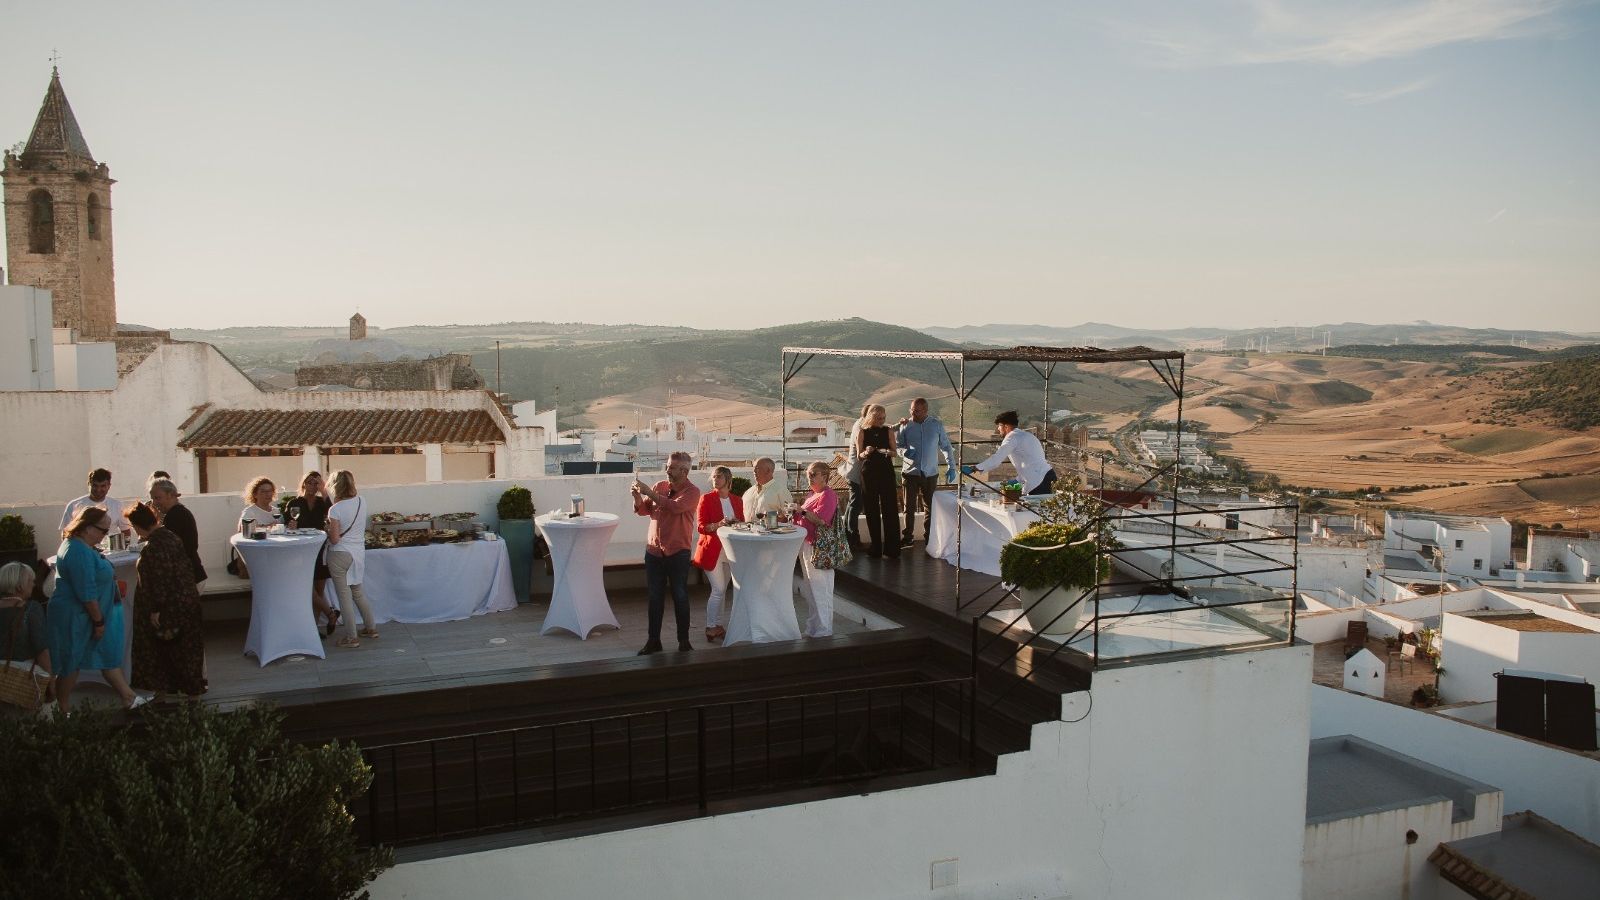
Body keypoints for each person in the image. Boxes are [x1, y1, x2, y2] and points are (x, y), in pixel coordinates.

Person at [46, 507, 145, 713]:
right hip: (76, 615)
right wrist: (98, 621)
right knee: (70, 663)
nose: (104, 535)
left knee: (105, 653)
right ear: (87, 528)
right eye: (102, 530)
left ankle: (128, 697)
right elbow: (86, 591)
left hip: (88, 614)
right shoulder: (77, 551)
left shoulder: (84, 546)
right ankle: (61, 709)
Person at [127, 502, 204, 701]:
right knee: (185, 651)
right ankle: (189, 692)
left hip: (170, 609)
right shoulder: (170, 537)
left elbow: (161, 580)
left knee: (166, 652)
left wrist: (156, 609)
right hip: (186, 602)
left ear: (138, 526)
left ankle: (166, 695)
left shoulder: (154, 546)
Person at [631, 451, 701, 654]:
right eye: (668, 466)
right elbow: (644, 510)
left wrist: (649, 492)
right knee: (654, 597)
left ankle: (684, 641)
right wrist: (637, 496)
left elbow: (674, 507)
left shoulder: (692, 492)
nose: (667, 470)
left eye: (671, 467)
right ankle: (654, 641)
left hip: (677, 552)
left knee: (680, 595)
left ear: (684, 471)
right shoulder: (660, 486)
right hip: (654, 551)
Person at [325, 470, 376, 649]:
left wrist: (327, 528)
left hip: (340, 553)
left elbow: (334, 539)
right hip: (358, 552)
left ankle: (351, 637)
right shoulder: (362, 501)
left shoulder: (335, 509)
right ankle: (371, 628)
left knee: (344, 597)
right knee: (358, 592)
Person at [284, 471, 339, 636]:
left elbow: (334, 513)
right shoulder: (295, 503)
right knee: (307, 589)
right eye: (309, 482)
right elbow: (286, 525)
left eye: (316, 483)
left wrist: (324, 491)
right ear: (303, 484)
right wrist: (290, 526)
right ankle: (331, 614)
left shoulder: (322, 503)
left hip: (320, 548)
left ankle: (313, 630)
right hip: (301, 551)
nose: (312, 486)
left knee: (319, 591)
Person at [692, 466, 743, 643]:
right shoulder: (706, 499)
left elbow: (742, 523)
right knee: (718, 589)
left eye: (719, 477)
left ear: (728, 480)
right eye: (714, 477)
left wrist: (736, 523)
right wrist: (718, 524)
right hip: (712, 550)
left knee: (722, 591)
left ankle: (718, 626)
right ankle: (711, 626)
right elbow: (701, 527)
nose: (715, 479)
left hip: (730, 551)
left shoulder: (737, 500)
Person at [896, 398, 954, 546]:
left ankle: (929, 538)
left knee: (930, 507)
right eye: (911, 410)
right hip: (910, 473)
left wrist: (951, 466)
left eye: (916, 411)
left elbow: (946, 447)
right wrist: (904, 452)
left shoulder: (936, 425)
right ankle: (908, 537)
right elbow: (897, 447)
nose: (912, 413)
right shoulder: (905, 426)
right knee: (908, 508)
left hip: (930, 473)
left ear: (925, 411)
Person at [791, 461, 840, 638]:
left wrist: (801, 511)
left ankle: (825, 628)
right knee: (811, 589)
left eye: (814, 473)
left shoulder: (828, 495)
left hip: (820, 547)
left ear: (825, 476)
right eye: (809, 473)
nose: (809, 476)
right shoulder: (812, 494)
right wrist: (794, 514)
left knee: (821, 588)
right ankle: (813, 626)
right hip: (807, 544)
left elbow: (822, 520)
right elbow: (803, 520)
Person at [963, 410, 1058, 495]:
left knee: (1036, 512)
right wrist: (1017, 480)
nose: (998, 429)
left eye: (999, 426)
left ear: (1006, 426)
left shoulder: (1011, 437)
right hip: (1049, 476)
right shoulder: (1026, 435)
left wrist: (974, 468)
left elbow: (996, 459)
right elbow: (1030, 463)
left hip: (1039, 482)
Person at [855, 404, 901, 558]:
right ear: (872, 417)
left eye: (884, 418)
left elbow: (895, 453)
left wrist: (888, 452)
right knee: (871, 510)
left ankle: (892, 549)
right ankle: (875, 548)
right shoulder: (862, 432)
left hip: (886, 473)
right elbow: (858, 456)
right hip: (869, 474)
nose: (882, 420)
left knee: (891, 509)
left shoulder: (888, 431)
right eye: (879, 418)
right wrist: (865, 452)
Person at [0, 561, 51, 689]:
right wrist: (52, 679)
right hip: (21, 680)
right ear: (19, 586)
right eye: (30, 581)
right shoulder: (31, 609)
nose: (33, 584)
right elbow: (41, 649)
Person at [149, 479, 207, 587]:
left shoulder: (176, 516)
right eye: (152, 499)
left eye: (157, 498)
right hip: (191, 575)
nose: (154, 503)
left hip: (188, 578)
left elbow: (169, 550)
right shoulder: (177, 513)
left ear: (170, 495)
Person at [59, 467, 130, 539]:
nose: (98, 489)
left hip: (110, 549)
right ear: (88, 484)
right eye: (95, 486)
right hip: (82, 549)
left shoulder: (117, 505)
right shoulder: (74, 505)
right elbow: (65, 533)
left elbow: (126, 531)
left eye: (103, 486)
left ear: (109, 486)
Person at [842, 402, 871, 548]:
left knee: (852, 505)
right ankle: (852, 538)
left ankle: (848, 535)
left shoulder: (858, 423)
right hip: (856, 472)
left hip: (852, 470)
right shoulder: (862, 428)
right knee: (856, 505)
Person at [741, 457, 787, 523]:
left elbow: (789, 517)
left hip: (771, 532)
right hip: (746, 532)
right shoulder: (748, 492)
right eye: (753, 468)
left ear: (768, 470)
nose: (754, 471)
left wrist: (773, 520)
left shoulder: (781, 491)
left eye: (757, 468)